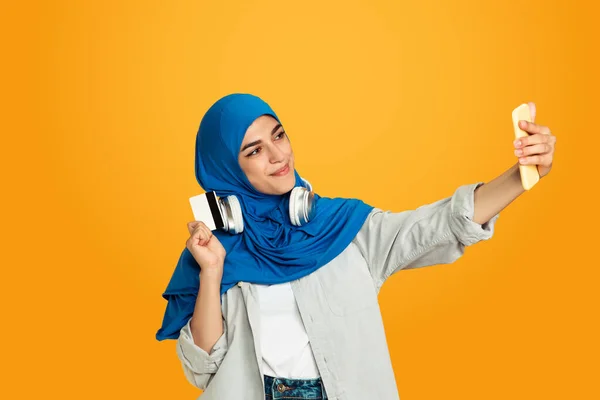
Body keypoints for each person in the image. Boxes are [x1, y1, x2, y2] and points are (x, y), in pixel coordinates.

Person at [156, 93, 556, 399]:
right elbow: (202, 367)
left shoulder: (343, 229)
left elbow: (436, 225)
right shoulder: (212, 251)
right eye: (255, 150)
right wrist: (211, 271)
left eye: (279, 135)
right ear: (226, 167)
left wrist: (522, 176)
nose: (278, 155)